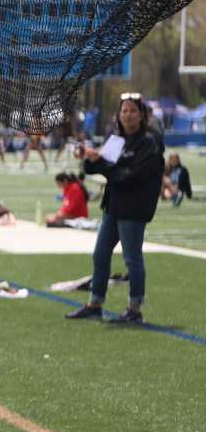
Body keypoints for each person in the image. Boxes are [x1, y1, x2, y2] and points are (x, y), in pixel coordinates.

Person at [66, 93, 164, 324]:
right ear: (118, 115)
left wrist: (102, 164)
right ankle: (95, 304)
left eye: (132, 110)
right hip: (113, 205)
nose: (127, 115)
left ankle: (134, 309)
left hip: (133, 208)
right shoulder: (116, 139)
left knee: (132, 259)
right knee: (100, 255)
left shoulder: (148, 141)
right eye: (124, 110)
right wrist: (88, 157)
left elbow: (130, 176)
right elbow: (98, 168)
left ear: (142, 114)